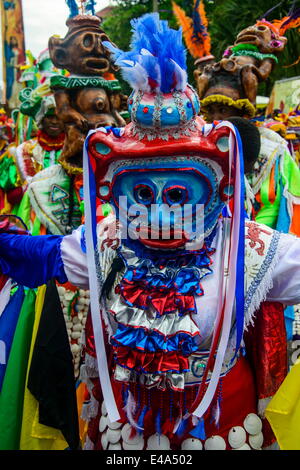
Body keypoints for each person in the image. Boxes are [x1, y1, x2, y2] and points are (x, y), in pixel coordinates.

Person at [0, 12, 299, 451]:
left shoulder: (250, 248)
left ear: (216, 185)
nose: (158, 212)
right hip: (125, 438)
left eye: (178, 192)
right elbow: (40, 255)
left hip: (223, 432)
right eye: (142, 191)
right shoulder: (105, 242)